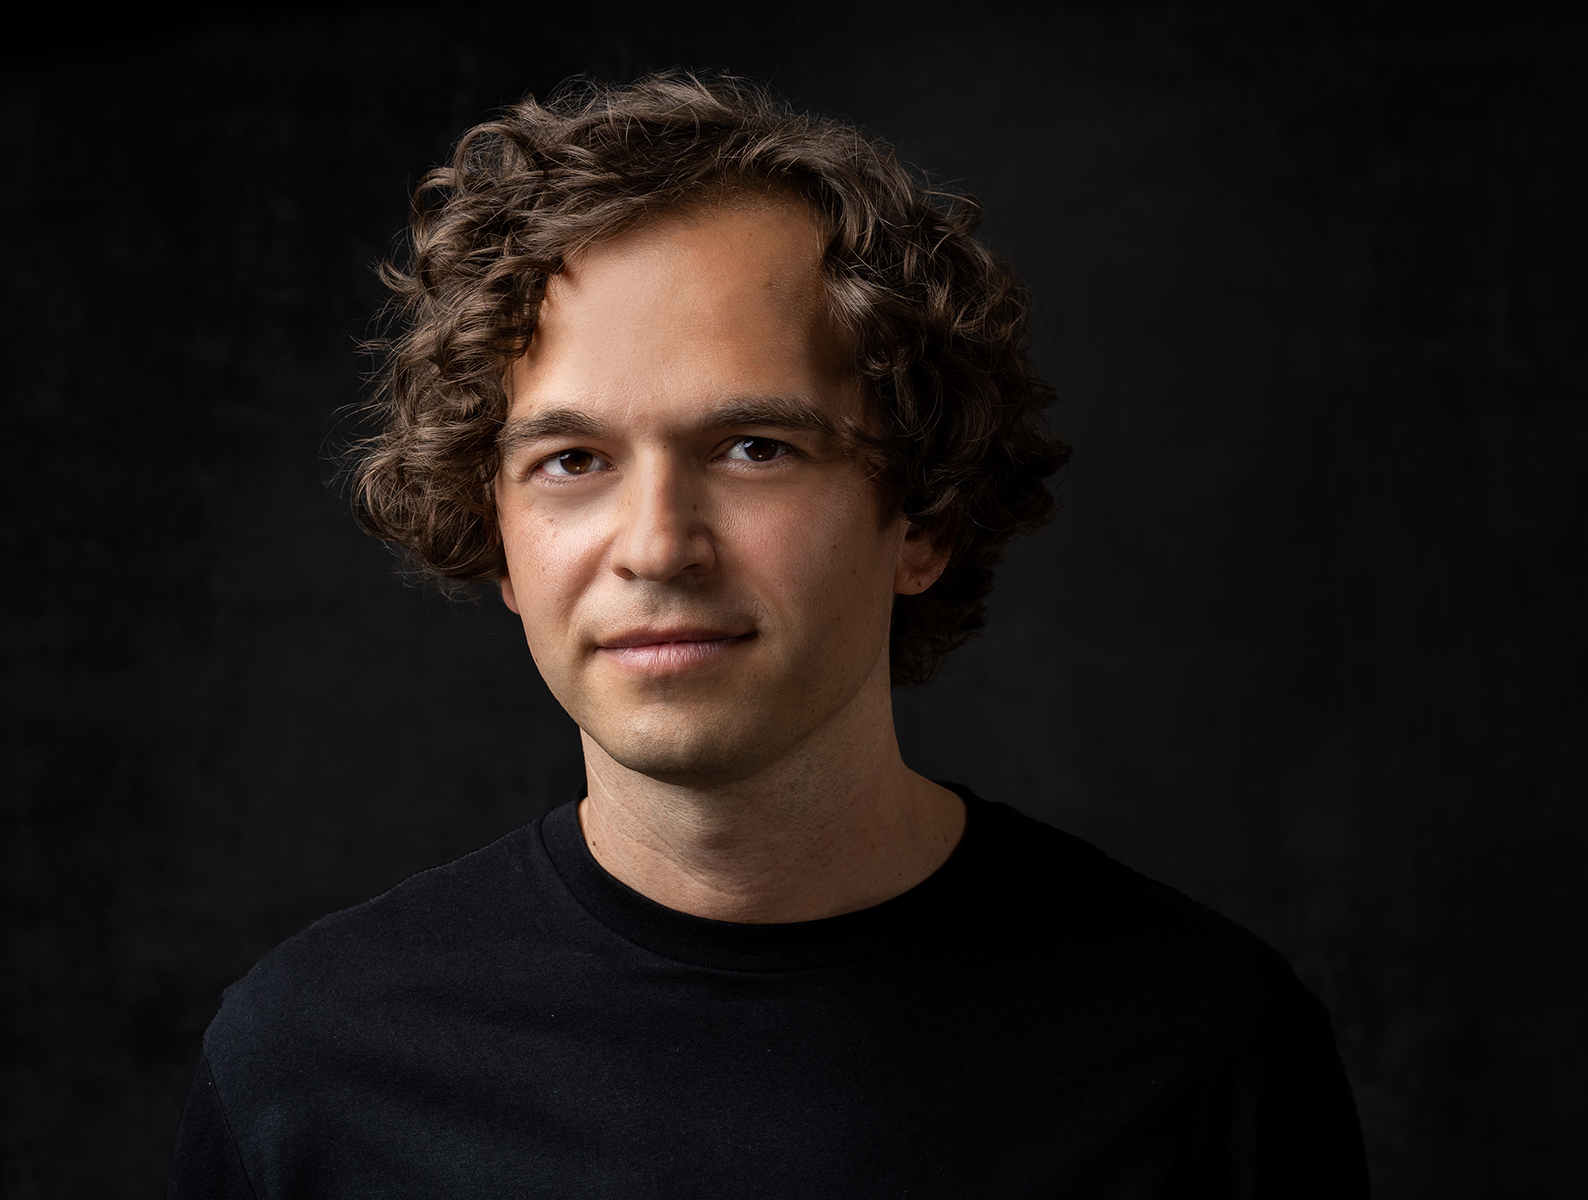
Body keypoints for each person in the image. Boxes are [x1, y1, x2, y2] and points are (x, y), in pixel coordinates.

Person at [167, 73, 1368, 1198]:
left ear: (924, 521)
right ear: (502, 541)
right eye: (572, 461)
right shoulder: (305, 1072)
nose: (655, 545)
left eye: (754, 449)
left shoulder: (1206, 1055)